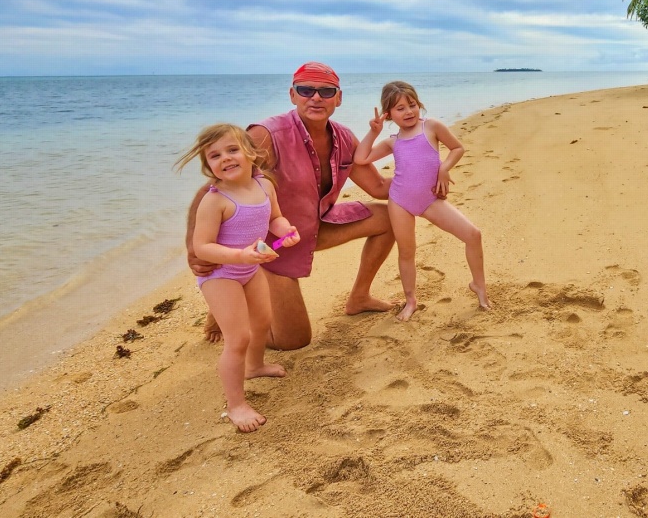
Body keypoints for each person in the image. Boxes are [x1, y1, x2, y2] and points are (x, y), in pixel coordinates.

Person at [186, 62, 397, 350]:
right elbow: (211, 190)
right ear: (292, 94)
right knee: (293, 341)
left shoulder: (344, 138)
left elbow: (379, 187)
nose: (316, 98)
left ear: (338, 98)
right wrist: (194, 248)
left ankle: (359, 298)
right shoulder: (267, 134)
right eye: (306, 90)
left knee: (388, 217)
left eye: (326, 91)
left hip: (308, 228)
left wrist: (426, 177)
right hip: (268, 246)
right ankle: (232, 307)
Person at [175, 124, 300, 432]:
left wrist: (285, 231)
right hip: (221, 274)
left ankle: (254, 366)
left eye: (232, 150)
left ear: (252, 153)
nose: (225, 158)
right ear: (208, 166)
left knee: (262, 320)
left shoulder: (264, 185)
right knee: (238, 337)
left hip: (249, 269)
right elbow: (202, 247)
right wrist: (239, 256)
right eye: (215, 155)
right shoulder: (215, 200)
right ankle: (236, 405)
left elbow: (274, 218)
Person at [354, 80, 490, 321]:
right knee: (407, 252)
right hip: (400, 201)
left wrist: (444, 168)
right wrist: (373, 132)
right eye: (400, 108)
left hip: (430, 199)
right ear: (388, 114)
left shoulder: (432, 126)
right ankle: (411, 301)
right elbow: (361, 159)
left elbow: (457, 148)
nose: (408, 112)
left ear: (419, 105)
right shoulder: (392, 142)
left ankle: (478, 285)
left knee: (473, 235)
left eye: (412, 105)